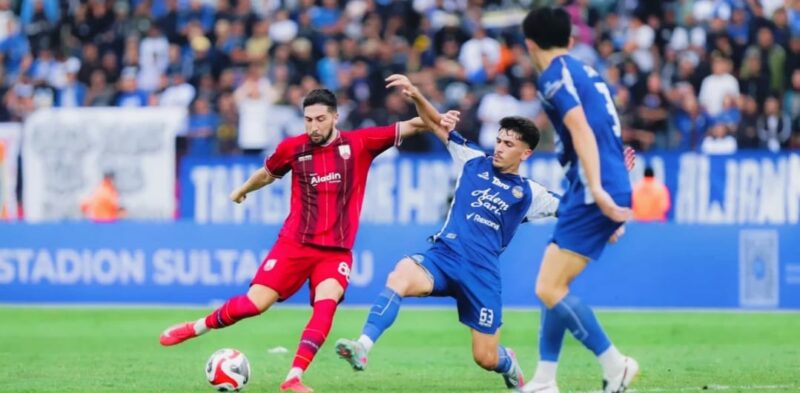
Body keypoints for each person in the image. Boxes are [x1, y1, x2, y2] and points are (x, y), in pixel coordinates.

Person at [158, 88, 437, 393]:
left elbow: (418, 124)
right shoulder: (293, 148)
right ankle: (195, 327)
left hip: (336, 252)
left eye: (320, 119)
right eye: (308, 120)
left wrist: (422, 100)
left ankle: (293, 377)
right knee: (254, 304)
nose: (313, 126)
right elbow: (267, 174)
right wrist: (242, 190)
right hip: (294, 244)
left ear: (335, 117)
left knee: (325, 306)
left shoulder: (360, 143)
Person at [334, 74, 561, 389]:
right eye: (499, 140)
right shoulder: (473, 162)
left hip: (481, 275)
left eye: (509, 144)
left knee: (485, 357)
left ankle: (507, 363)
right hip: (443, 257)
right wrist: (416, 95)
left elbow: (575, 209)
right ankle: (363, 346)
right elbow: (439, 125)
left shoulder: (530, 193)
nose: (499, 148)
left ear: (525, 154)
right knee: (400, 274)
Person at [518, 7, 639, 393]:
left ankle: (614, 364)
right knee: (552, 281)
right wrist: (612, 186)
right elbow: (607, 130)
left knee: (549, 288)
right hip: (591, 183)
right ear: (571, 40)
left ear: (529, 44)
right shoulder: (587, 72)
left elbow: (581, 128)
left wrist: (601, 192)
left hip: (591, 186)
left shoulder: (553, 76)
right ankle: (544, 378)